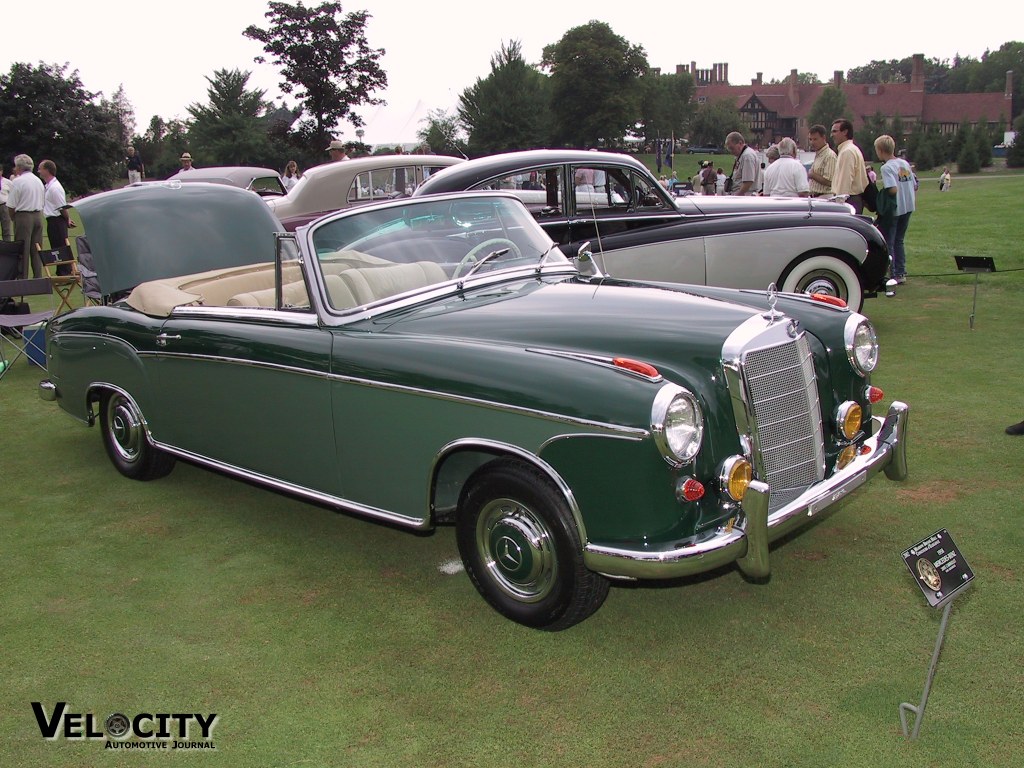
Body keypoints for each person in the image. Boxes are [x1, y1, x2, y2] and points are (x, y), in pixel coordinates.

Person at [874, 134, 916, 285]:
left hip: (896, 208)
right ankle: (901, 271)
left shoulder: (886, 168)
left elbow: (892, 189)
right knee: (899, 240)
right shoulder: (903, 163)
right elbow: (913, 183)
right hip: (908, 205)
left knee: (889, 241)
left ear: (880, 150)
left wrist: (882, 194)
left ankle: (892, 274)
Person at [6, 154, 45, 278]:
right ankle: (38, 276)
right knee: (37, 248)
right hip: (38, 215)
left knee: (22, 248)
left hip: (24, 216)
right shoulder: (38, 180)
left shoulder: (17, 181)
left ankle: (22, 278)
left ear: (19, 167)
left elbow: (11, 205)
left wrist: (13, 218)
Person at [829, 118, 869, 213]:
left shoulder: (847, 152)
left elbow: (845, 180)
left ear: (845, 132)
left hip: (848, 201)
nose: (831, 135)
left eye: (835, 131)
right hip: (852, 199)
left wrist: (839, 204)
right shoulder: (851, 149)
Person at [37, 159, 75, 252]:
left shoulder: (55, 188)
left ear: (47, 170)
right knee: (56, 251)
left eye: (40, 169)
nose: (38, 171)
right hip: (52, 222)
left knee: (61, 251)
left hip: (57, 222)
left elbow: (62, 207)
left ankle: (66, 267)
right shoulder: (48, 186)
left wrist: (67, 219)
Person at [724, 131, 760, 195]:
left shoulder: (747, 156)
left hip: (744, 196)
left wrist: (737, 196)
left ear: (740, 143)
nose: (731, 151)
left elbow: (748, 182)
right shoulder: (742, 155)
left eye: (732, 148)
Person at [807, 124, 837, 197]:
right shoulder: (818, 154)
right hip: (815, 197)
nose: (812, 143)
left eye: (815, 139)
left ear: (823, 138)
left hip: (824, 197)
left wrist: (812, 175)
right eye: (810, 139)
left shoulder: (830, 156)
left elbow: (829, 181)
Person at [0, 165, 11, 241]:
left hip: (4, 206)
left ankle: (7, 248)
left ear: (1, 171)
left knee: (6, 229)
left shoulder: (8, 182)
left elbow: (13, 195)